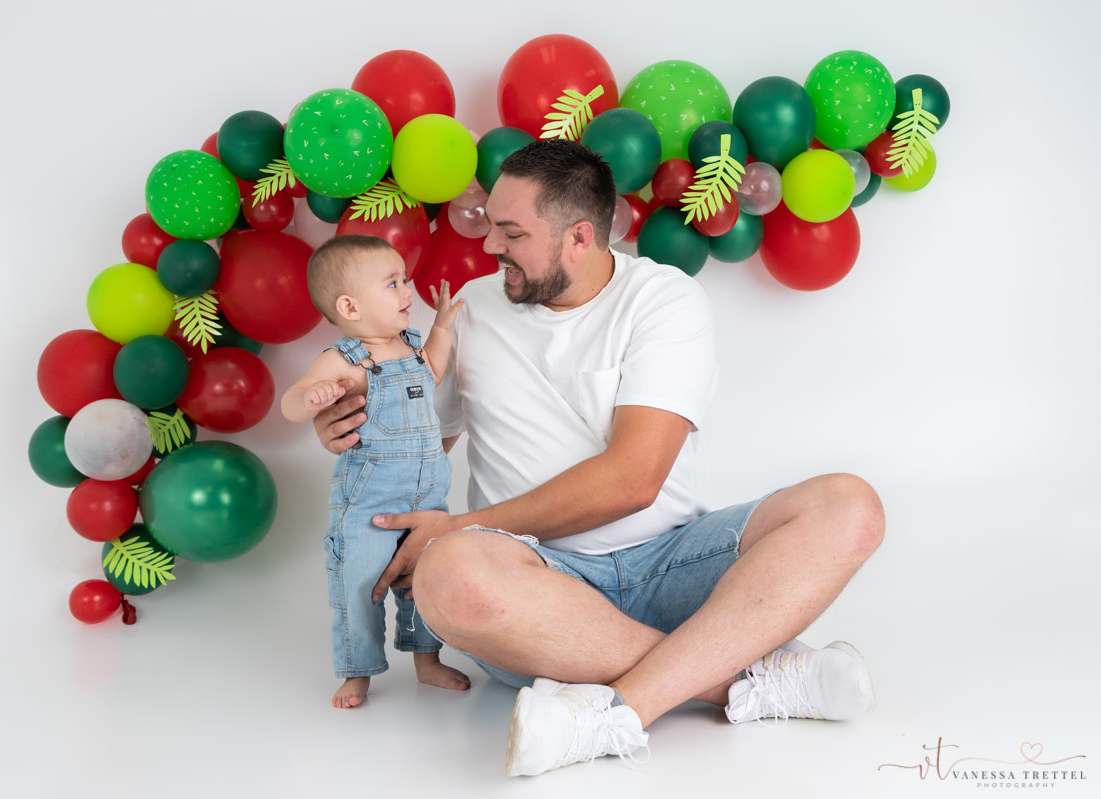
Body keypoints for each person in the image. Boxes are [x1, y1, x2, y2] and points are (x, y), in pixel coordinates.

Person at [313, 141, 885, 774]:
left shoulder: (664, 301)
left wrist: (461, 524)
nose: (490, 245)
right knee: (448, 574)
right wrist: (354, 428)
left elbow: (633, 481)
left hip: (672, 564)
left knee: (850, 505)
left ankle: (614, 713)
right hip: (536, 592)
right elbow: (421, 446)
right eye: (493, 227)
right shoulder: (470, 310)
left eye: (512, 233)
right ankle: (747, 679)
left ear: (579, 238)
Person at [281, 234, 470, 709]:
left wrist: (442, 326)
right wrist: (311, 398)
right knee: (361, 585)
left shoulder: (410, 347)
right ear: (350, 306)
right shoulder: (345, 360)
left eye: (404, 279)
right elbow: (291, 401)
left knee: (424, 582)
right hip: (370, 502)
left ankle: (427, 661)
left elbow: (435, 371)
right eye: (392, 283)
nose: (407, 290)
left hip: (428, 500)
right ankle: (357, 671)